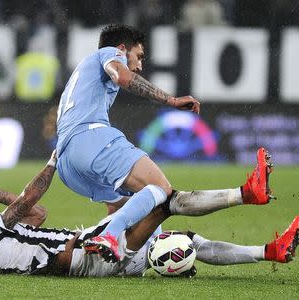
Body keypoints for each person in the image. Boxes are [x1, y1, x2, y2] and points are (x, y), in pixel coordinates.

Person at [55, 24, 276, 262]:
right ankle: (108, 235)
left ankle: (263, 247)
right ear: (122, 48)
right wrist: (170, 100)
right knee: (161, 190)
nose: (140, 65)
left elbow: (116, 208)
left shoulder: (82, 73)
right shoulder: (109, 53)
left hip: (67, 163)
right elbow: (122, 76)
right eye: (138, 56)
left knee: (140, 209)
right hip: (91, 138)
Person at [0, 152, 299, 277]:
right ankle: (247, 193)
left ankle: (269, 251)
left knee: (187, 240)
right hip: (88, 251)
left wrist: (1, 201)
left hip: (89, 250)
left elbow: (37, 214)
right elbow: (31, 196)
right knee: (160, 199)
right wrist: (54, 157)